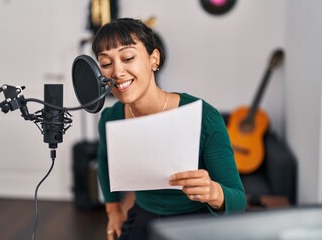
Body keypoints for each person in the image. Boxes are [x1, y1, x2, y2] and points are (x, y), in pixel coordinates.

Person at [92, 18, 246, 240]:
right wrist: (113, 210)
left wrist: (213, 192)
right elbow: (105, 162)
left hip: (196, 221)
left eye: (128, 58)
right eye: (106, 63)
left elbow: (238, 201)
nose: (117, 72)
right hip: (145, 216)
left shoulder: (205, 117)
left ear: (154, 59)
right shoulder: (111, 118)